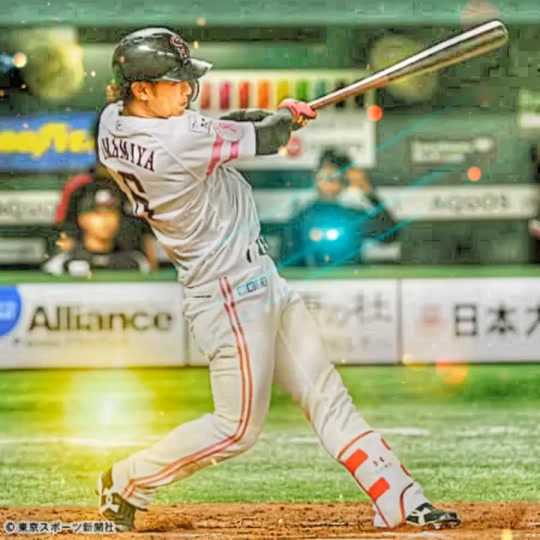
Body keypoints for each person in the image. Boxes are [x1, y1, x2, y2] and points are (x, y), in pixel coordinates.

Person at [95, 27, 461, 533]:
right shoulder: (175, 141)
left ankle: (399, 497)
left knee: (326, 396)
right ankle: (126, 481)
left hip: (257, 276)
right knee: (236, 430)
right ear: (141, 88)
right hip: (226, 293)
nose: (187, 91)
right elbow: (264, 138)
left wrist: (275, 117)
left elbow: (222, 128)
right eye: (176, 82)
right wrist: (285, 119)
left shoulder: (114, 122)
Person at [54, 136, 158, 270]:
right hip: (83, 262)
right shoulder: (77, 186)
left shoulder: (136, 188)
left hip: (128, 263)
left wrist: (150, 267)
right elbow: (64, 233)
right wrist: (67, 260)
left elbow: (147, 236)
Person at [283, 148, 398, 267]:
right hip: (314, 278)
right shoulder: (303, 218)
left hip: (351, 277)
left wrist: (367, 191)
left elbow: (390, 235)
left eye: (336, 177)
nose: (331, 182)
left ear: (344, 181)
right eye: (326, 176)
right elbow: (289, 264)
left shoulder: (353, 216)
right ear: (316, 178)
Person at [43, 182, 151, 275]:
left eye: (112, 213)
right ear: (83, 219)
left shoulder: (135, 262)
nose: (106, 220)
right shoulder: (60, 263)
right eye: (98, 214)